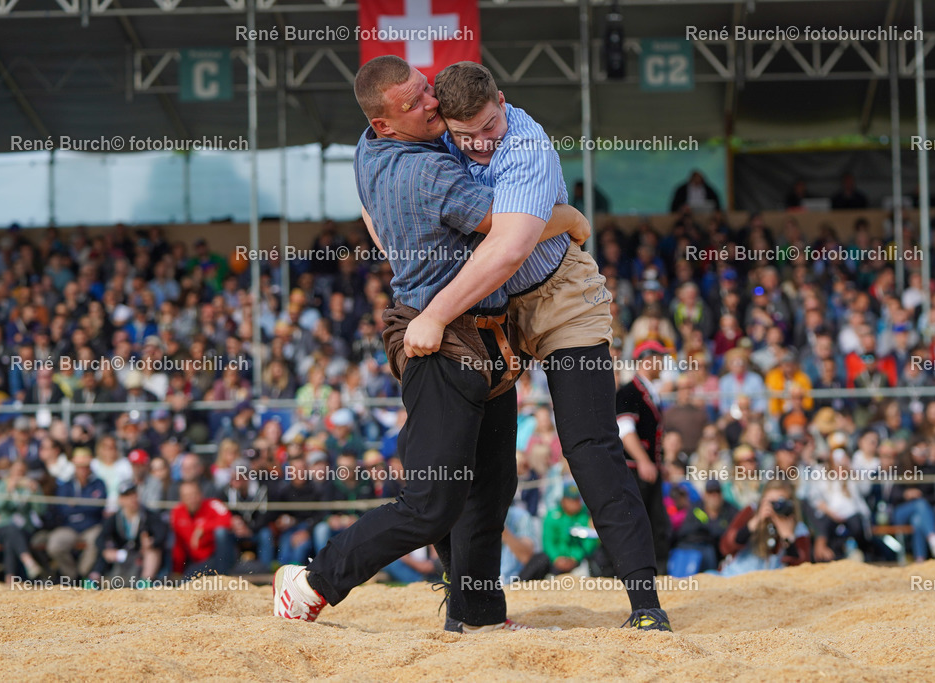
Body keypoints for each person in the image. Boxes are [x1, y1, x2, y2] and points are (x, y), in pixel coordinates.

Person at [273, 55, 586, 633]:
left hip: (478, 337)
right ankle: (312, 582)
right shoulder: (428, 173)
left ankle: (480, 616)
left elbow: (369, 211)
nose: (431, 103)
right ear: (387, 122)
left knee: (491, 490)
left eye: (424, 90)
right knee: (432, 503)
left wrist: (402, 253)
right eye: (414, 103)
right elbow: (511, 229)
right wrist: (567, 215)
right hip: (439, 341)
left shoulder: (368, 146)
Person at [403, 60, 668, 632]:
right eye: (465, 133)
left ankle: (646, 605)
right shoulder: (426, 142)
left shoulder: (526, 144)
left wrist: (434, 313)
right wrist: (565, 216)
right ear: (443, 120)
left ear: (503, 100)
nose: (479, 144)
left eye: (489, 127)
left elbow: (509, 246)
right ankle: (467, 607)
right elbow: (387, 195)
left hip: (556, 296)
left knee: (590, 447)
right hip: (484, 307)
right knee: (470, 464)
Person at [615, 340, 671, 572]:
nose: (663, 363)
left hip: (646, 469)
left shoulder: (646, 392)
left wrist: (657, 462)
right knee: (643, 524)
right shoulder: (630, 391)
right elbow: (625, 430)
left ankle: (655, 574)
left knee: (655, 523)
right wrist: (645, 461)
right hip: (636, 471)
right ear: (648, 360)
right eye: (659, 358)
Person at [719, 480, 811, 576]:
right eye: (771, 502)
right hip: (737, 575)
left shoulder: (799, 530)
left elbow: (802, 570)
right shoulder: (751, 513)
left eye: (780, 502)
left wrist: (788, 538)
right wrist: (754, 524)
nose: (775, 507)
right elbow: (725, 547)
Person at [46, 449, 106, 580]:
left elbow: (97, 507)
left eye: (85, 466)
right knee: (55, 545)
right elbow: (62, 509)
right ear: (74, 467)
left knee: (97, 541)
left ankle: (82, 574)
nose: (83, 470)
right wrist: (86, 504)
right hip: (70, 527)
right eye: (80, 467)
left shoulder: (98, 483)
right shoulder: (66, 485)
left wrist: (76, 504)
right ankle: (72, 576)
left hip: (91, 526)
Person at [94, 480, 167, 581]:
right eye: (127, 496)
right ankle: (94, 577)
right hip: (122, 554)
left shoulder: (147, 516)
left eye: (134, 494)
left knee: (153, 552)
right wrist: (106, 550)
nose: (132, 499)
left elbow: (161, 532)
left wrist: (151, 542)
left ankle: (145, 581)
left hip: (140, 554)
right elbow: (100, 538)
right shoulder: (115, 518)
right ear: (121, 500)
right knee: (104, 550)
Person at [170, 480, 234, 577]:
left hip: (217, 556)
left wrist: (203, 528)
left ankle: (222, 576)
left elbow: (228, 520)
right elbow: (178, 545)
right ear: (181, 498)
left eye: (194, 494)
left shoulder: (213, 504)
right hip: (195, 560)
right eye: (187, 496)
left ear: (201, 494)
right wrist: (177, 570)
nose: (191, 499)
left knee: (221, 532)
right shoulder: (177, 513)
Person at [541, 484, 600, 575]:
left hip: (579, 560)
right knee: (539, 560)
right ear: (563, 501)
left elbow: (590, 542)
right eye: (571, 500)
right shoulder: (552, 516)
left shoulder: (586, 516)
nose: (575, 503)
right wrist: (556, 558)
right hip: (556, 560)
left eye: (577, 500)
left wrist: (575, 558)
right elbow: (548, 541)